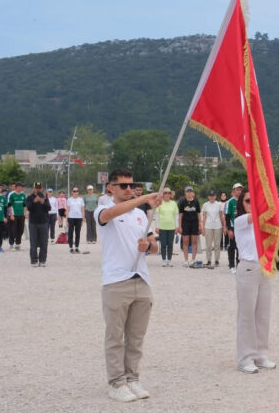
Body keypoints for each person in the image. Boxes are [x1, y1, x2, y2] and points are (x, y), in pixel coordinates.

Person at [94, 169, 160, 402]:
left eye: (132, 185)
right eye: (123, 186)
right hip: (116, 281)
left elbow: (154, 246)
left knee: (136, 337)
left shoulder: (141, 216)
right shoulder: (102, 209)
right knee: (115, 336)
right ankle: (116, 382)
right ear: (110, 187)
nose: (129, 189)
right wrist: (143, 199)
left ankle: (132, 378)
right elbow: (111, 213)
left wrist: (148, 247)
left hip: (140, 279)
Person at [233, 189, 279, 374]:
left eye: (254, 200)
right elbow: (256, 215)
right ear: (241, 204)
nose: (251, 203)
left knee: (262, 315)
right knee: (246, 316)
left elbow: (275, 238)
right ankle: (245, 358)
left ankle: (261, 354)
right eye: (247, 201)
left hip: (264, 269)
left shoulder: (263, 223)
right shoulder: (241, 221)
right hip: (248, 269)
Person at [26, 182, 51, 267]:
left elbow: (49, 208)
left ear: (42, 188)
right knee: (33, 242)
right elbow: (28, 207)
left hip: (44, 222)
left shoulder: (45, 197)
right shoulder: (29, 197)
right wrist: (34, 201)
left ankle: (42, 260)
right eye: (36, 188)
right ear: (33, 188)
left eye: (39, 188)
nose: (38, 189)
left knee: (44, 243)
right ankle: (34, 260)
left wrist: (43, 202)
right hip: (33, 223)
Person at [177, 187, 202, 268]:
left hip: (194, 223)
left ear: (193, 193)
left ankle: (193, 260)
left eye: (190, 191)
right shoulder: (182, 202)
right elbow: (180, 215)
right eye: (187, 191)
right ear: (185, 193)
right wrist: (180, 226)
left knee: (194, 242)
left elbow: (198, 213)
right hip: (185, 223)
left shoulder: (196, 201)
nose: (189, 193)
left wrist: (200, 224)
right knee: (185, 242)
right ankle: (186, 260)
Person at [154, 187, 179, 267]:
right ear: (163, 194)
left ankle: (169, 260)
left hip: (171, 227)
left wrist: (177, 226)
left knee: (170, 244)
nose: (167, 194)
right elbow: (157, 215)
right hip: (162, 227)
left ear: (170, 194)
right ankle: (164, 260)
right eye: (165, 193)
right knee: (163, 244)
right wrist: (157, 226)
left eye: (169, 193)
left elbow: (176, 215)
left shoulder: (174, 203)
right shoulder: (160, 203)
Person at [200, 189, 224, 268]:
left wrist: (223, 227)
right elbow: (204, 216)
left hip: (217, 226)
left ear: (215, 196)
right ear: (208, 196)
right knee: (208, 245)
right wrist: (202, 228)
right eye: (210, 196)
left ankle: (217, 260)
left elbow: (221, 216)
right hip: (208, 226)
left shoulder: (219, 205)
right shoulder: (205, 205)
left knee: (217, 244)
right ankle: (209, 260)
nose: (211, 197)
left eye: (213, 196)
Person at [226, 183, 244, 273]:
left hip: (242, 228)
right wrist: (229, 229)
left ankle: (239, 265)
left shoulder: (244, 201)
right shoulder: (230, 202)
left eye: (240, 190)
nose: (239, 191)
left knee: (240, 247)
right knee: (232, 247)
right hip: (233, 227)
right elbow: (227, 217)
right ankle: (231, 266)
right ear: (233, 191)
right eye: (237, 189)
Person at [7, 182, 27, 250]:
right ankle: (11, 244)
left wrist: (25, 213)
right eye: (21, 187)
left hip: (21, 214)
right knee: (13, 230)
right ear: (17, 187)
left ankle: (18, 243)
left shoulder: (23, 194)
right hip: (14, 214)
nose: (22, 188)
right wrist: (11, 215)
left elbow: (24, 205)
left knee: (20, 230)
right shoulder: (11, 194)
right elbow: (9, 205)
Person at [67, 187, 85, 253]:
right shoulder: (69, 200)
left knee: (78, 233)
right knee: (70, 233)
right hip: (71, 217)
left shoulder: (81, 200)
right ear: (72, 192)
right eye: (74, 191)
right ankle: (71, 247)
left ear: (78, 192)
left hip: (79, 218)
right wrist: (66, 220)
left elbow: (82, 209)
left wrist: (83, 219)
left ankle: (77, 247)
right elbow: (67, 209)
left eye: (76, 191)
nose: (75, 192)